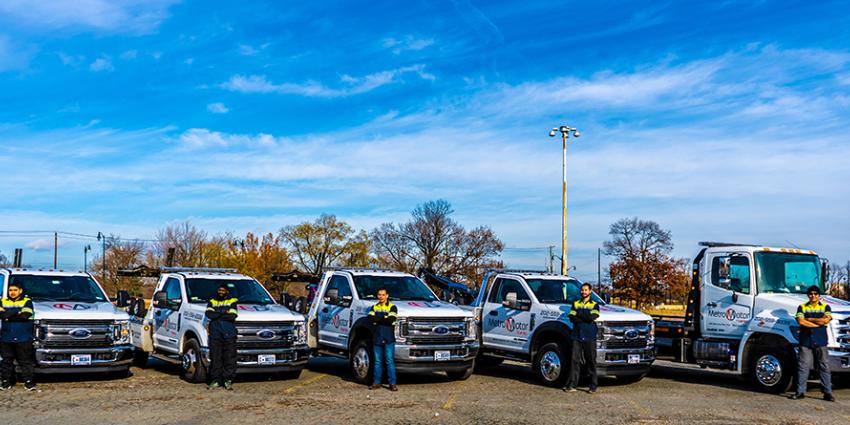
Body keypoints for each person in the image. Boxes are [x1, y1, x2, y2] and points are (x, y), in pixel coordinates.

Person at [790, 285, 834, 401]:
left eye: (815, 294)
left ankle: (827, 393)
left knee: (824, 366)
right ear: (808, 295)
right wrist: (817, 324)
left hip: (821, 341)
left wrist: (809, 319)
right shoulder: (802, 307)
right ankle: (800, 392)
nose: (813, 296)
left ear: (819, 295)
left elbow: (826, 320)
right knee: (803, 367)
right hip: (805, 341)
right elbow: (801, 321)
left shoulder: (826, 307)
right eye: (811, 294)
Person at [564, 283, 600, 394]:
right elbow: (571, 317)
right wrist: (582, 317)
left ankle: (593, 385)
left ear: (590, 291)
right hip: (577, 335)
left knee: (591, 361)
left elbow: (592, 317)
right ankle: (572, 384)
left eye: (585, 290)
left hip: (589, 335)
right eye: (582, 290)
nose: (583, 292)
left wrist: (578, 316)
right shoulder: (575, 303)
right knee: (574, 361)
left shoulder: (595, 304)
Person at [0, 282, 36, 391]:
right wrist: (17, 313)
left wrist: (8, 315)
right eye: (11, 290)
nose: (12, 292)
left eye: (15, 290)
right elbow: (1, 314)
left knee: (25, 361)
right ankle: (5, 382)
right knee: (6, 361)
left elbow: (26, 315)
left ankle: (29, 383)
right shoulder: (2, 301)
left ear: (20, 291)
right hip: (6, 338)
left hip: (24, 337)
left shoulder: (27, 301)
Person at [205, 284, 238, 390]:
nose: (221, 292)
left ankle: (227, 380)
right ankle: (215, 380)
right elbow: (209, 314)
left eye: (223, 290)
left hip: (229, 333)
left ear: (227, 291)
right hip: (215, 334)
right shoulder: (212, 301)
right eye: (219, 290)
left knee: (229, 357)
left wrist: (217, 313)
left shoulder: (232, 301)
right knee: (215, 358)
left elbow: (233, 315)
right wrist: (224, 313)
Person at [368, 287, 398, 391]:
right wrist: (384, 318)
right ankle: (376, 383)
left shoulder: (392, 307)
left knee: (389, 361)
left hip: (389, 338)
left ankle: (392, 383)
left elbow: (391, 320)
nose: (381, 296)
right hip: (377, 338)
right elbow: (370, 319)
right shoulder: (374, 307)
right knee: (377, 362)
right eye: (379, 295)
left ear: (387, 296)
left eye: (383, 295)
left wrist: (378, 319)